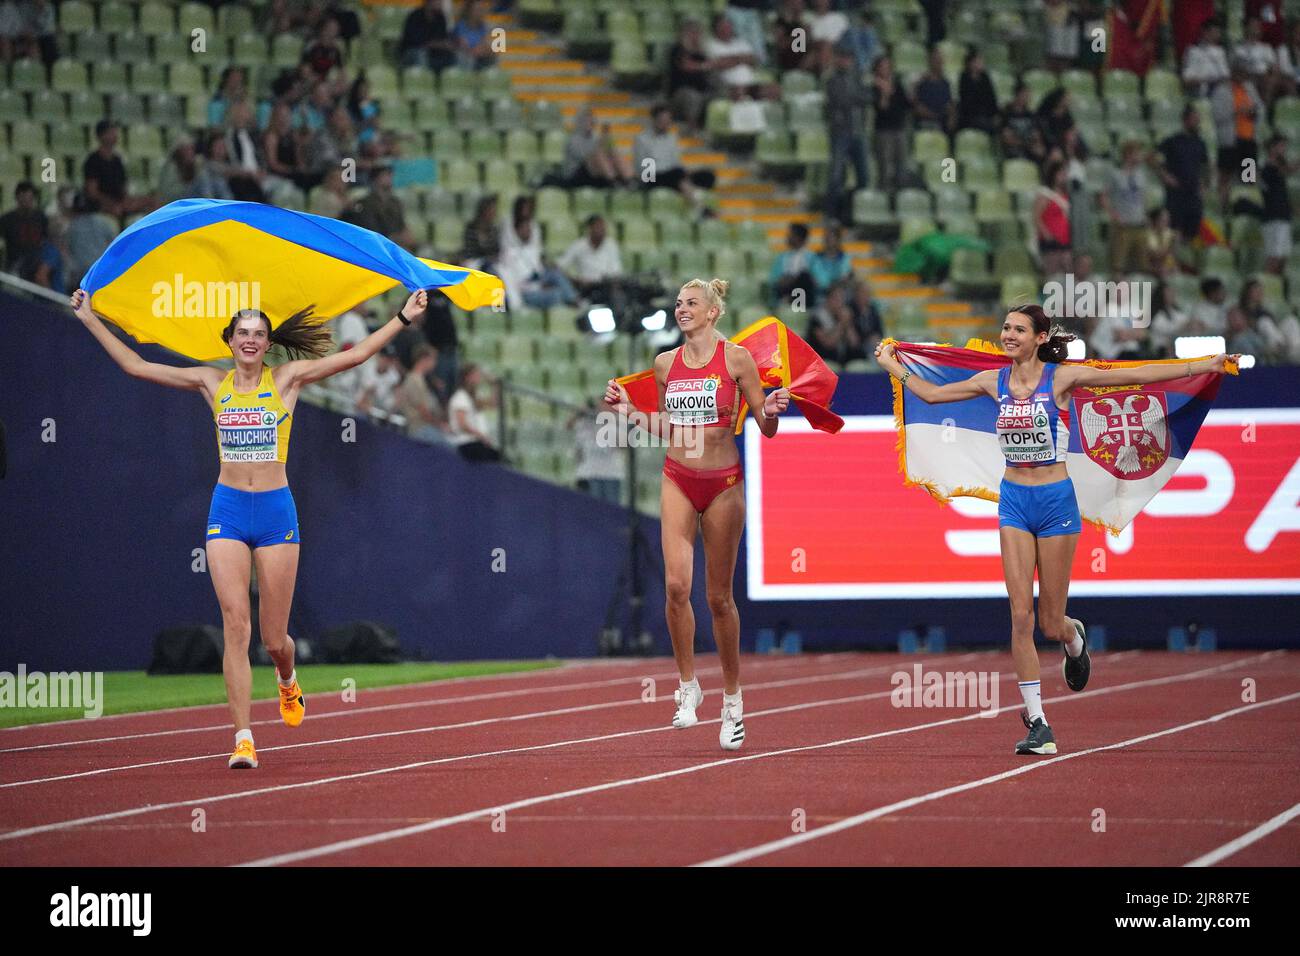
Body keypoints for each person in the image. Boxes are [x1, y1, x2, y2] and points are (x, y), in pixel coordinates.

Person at [69, 284, 433, 769]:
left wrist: (402, 318)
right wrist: (90, 318)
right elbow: (137, 366)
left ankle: (287, 678)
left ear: (267, 343)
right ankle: (243, 737)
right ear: (230, 340)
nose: (250, 340)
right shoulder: (209, 382)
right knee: (235, 625)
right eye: (242, 332)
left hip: (277, 514)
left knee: (273, 639)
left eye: (258, 334)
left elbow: (358, 354)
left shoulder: (287, 380)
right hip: (229, 511)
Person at [875, 307, 1239, 754]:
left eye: (1018, 330)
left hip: (1055, 506)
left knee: (1049, 621)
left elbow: (1136, 374)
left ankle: (1073, 636)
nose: (1008, 335)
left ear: (1039, 337)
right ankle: (1038, 722)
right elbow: (931, 394)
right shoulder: (993, 381)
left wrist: (1206, 364)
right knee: (1020, 616)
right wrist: (894, 366)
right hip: (1013, 502)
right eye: (1005, 327)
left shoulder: (1062, 379)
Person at [603, 278, 791, 751]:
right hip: (678, 479)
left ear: (713, 312)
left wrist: (769, 409)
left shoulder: (736, 359)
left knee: (719, 599)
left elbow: (765, 429)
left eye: (691, 303)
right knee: (675, 587)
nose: (681, 309)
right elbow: (669, 426)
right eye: (678, 303)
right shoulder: (665, 363)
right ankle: (688, 686)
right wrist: (628, 411)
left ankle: (733, 701)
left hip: (724, 484)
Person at [824, 40, 870, 222]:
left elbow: (868, 97)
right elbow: (840, 99)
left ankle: (851, 212)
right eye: (842, 57)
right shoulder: (832, 80)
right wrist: (857, 98)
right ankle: (831, 214)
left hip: (859, 132)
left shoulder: (858, 78)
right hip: (840, 132)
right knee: (836, 176)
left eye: (848, 58)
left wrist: (856, 97)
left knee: (864, 177)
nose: (845, 61)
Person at [633, 104, 716, 204]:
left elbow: (676, 161)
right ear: (654, 120)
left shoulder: (672, 138)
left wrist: (686, 172)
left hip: (675, 174)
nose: (666, 123)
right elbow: (645, 171)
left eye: (668, 120)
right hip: (653, 177)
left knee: (707, 176)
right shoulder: (643, 139)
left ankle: (689, 193)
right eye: (663, 120)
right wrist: (670, 171)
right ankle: (697, 203)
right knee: (677, 174)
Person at [1153, 105, 1210, 248]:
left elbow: (1205, 166)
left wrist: (1204, 184)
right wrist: (1164, 175)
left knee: (1192, 230)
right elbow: (1153, 157)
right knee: (1174, 229)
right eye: (1194, 119)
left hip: (1193, 192)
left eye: (1198, 119)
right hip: (1176, 192)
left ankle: (1186, 263)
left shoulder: (1200, 143)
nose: (1197, 122)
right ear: (1185, 120)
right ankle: (1173, 262)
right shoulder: (1173, 141)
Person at [82, 121, 157, 220]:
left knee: (153, 201)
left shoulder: (117, 160)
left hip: (120, 201)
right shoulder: (93, 160)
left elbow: (123, 187)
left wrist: (127, 201)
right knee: (117, 209)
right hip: (102, 204)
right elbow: (92, 192)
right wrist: (111, 203)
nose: (115, 135)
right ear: (101, 136)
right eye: (110, 132)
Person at [1100, 140, 1151, 274]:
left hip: (1139, 225)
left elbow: (1143, 197)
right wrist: (1114, 215)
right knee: (1118, 265)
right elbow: (1103, 196)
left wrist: (1145, 214)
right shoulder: (1115, 174)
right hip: (1122, 226)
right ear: (1128, 155)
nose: (1140, 156)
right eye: (1137, 153)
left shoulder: (1141, 174)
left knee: (1141, 264)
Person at [557, 214, 623, 300]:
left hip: (606, 286)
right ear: (589, 228)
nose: (602, 230)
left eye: (603, 227)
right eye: (598, 227)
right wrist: (574, 280)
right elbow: (559, 266)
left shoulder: (611, 245)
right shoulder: (578, 245)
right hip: (585, 288)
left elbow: (616, 271)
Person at [872, 55, 910, 195]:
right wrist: (884, 93)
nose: (886, 69)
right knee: (885, 168)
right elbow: (881, 108)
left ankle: (901, 198)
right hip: (883, 131)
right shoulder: (875, 86)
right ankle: (884, 197)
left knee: (901, 166)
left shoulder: (898, 84)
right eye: (882, 66)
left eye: (888, 66)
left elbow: (906, 104)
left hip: (899, 129)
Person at [447, 363, 501, 461]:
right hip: (467, 443)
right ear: (468, 377)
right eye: (477, 375)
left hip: (476, 442)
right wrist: (481, 436)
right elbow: (462, 425)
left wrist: (494, 385)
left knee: (501, 457)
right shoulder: (460, 397)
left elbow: (493, 404)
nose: (480, 378)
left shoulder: (472, 398)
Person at [1260, 135, 1294, 275]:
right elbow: (1286, 170)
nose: (1284, 150)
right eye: (1281, 146)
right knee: (1274, 256)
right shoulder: (1265, 166)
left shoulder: (1279, 167)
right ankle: (1267, 285)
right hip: (1272, 216)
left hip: (1283, 216)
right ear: (1272, 148)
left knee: (1283, 257)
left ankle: (1276, 287)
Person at [1033, 160, 1072, 275]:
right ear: (1053, 175)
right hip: (1051, 240)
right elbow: (1036, 217)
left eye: (1065, 173)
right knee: (1052, 275)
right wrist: (1047, 235)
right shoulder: (1045, 195)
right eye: (1061, 173)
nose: (1064, 177)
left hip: (1065, 239)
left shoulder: (1065, 194)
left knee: (1068, 272)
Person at [768, 222, 817, 310]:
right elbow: (773, 279)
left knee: (804, 277)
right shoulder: (782, 257)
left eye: (790, 235)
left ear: (799, 238)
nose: (787, 237)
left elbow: (817, 281)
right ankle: (789, 300)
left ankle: (792, 300)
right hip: (785, 290)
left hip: (804, 294)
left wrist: (795, 278)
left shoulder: (812, 257)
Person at [399, 0, 455, 72]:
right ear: (429, 2)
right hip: (411, 53)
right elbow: (416, 43)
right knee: (420, 55)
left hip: (433, 55)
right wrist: (435, 44)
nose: (441, 3)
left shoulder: (441, 18)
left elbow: (442, 40)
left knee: (455, 57)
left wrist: (448, 45)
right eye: (438, 1)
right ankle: (422, 82)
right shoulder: (414, 16)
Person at [912, 45, 955, 133]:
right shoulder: (922, 82)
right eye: (936, 60)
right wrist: (933, 116)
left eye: (940, 60)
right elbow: (917, 105)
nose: (939, 63)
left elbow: (949, 104)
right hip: (925, 123)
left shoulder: (945, 83)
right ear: (930, 61)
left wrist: (951, 117)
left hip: (942, 123)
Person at [956, 48, 999, 134]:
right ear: (971, 63)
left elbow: (991, 97)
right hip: (970, 115)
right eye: (978, 61)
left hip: (986, 114)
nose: (981, 64)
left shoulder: (985, 77)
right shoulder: (964, 78)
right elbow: (966, 100)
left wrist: (995, 114)